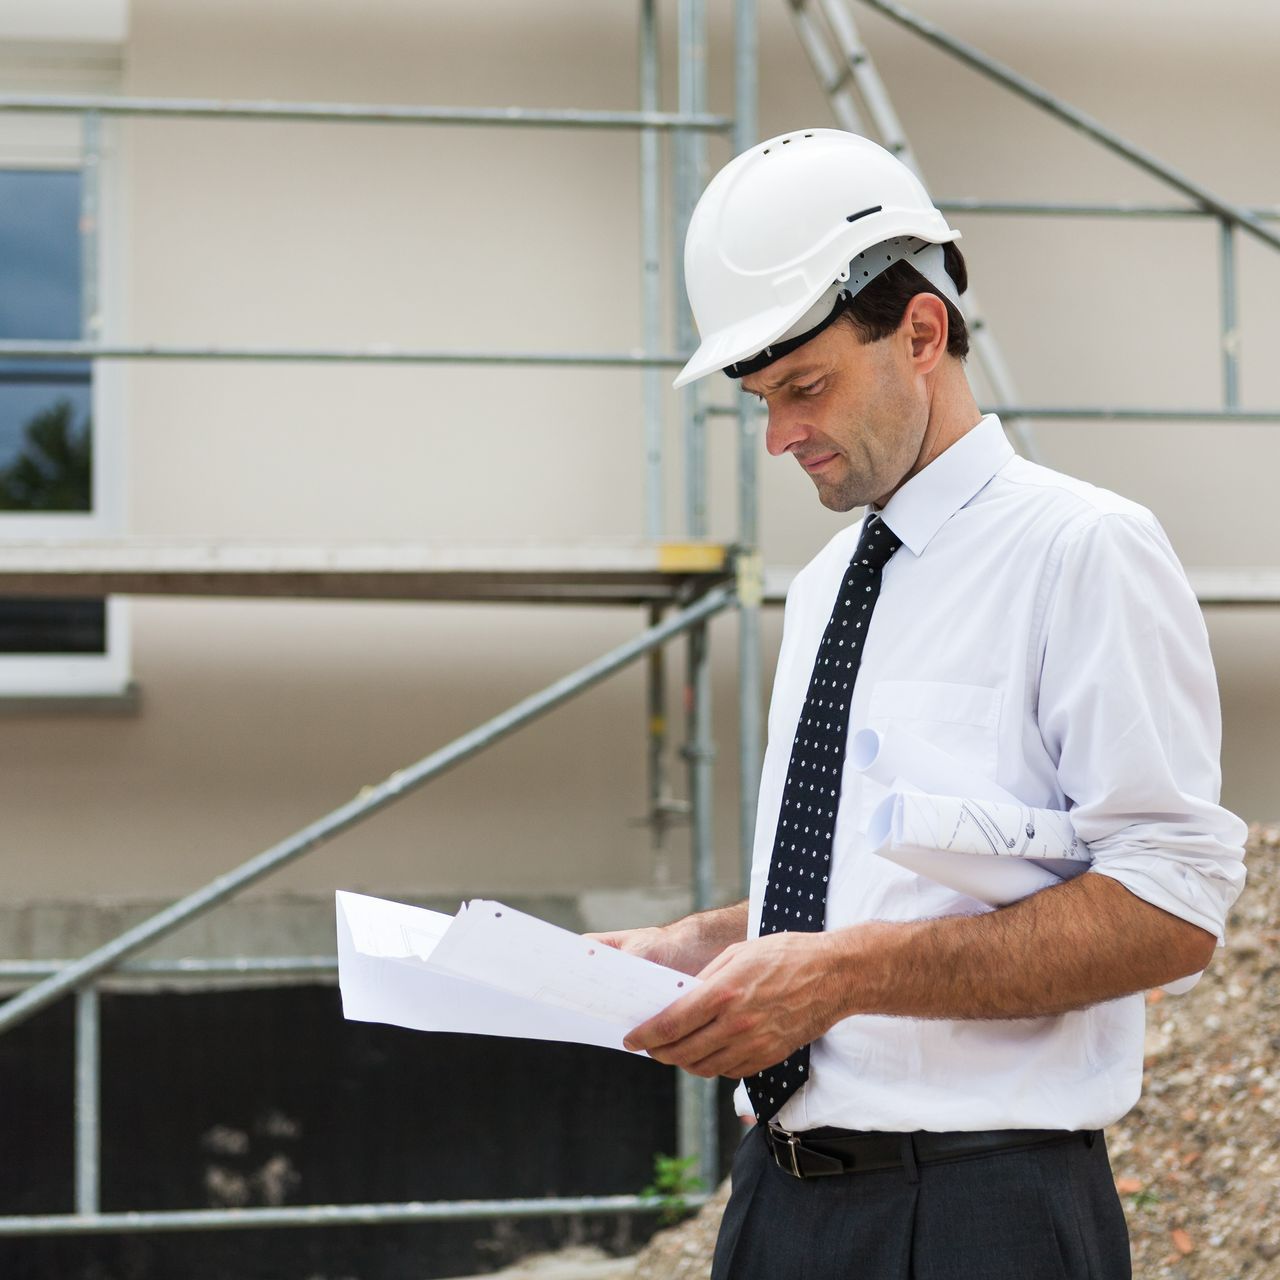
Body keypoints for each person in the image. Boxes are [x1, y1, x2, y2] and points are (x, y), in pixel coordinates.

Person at [594, 130, 1248, 1279]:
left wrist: (838, 978)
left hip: (978, 1213)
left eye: (803, 387)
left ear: (920, 332)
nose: (778, 433)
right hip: (777, 1206)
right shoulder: (824, 589)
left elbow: (1169, 905)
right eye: (759, 397)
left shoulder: (1081, 551)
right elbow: (860, 882)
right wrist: (685, 948)